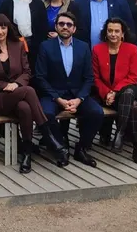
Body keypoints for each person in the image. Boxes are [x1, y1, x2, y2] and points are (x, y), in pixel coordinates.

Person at [0, 14, 67, 173]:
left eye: (3, 27)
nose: (0, 31)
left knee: (25, 108)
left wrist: (17, 84)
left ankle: (26, 153)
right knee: (29, 90)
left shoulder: (17, 46)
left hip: (18, 94)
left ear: (8, 29)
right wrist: (7, 86)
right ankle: (50, 139)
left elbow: (27, 72)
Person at [36, 12, 105, 167]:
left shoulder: (83, 47)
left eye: (69, 24)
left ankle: (81, 148)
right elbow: (40, 77)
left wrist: (79, 99)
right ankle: (61, 148)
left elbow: (89, 78)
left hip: (77, 94)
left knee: (97, 113)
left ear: (74, 29)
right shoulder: (45, 46)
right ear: (56, 26)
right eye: (61, 24)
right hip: (53, 94)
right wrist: (57, 99)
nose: (65, 27)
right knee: (45, 114)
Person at [91, 18, 137, 165]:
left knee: (128, 94)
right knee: (133, 106)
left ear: (122, 34)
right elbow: (95, 77)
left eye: (117, 31)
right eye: (110, 31)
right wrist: (106, 93)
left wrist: (114, 92)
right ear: (105, 32)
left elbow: (133, 76)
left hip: (129, 89)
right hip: (106, 94)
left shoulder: (131, 49)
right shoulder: (97, 49)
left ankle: (120, 132)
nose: (113, 34)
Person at [0, 0, 50, 70]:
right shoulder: (6, 4)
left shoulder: (38, 4)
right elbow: (1, 24)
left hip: (34, 47)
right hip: (12, 46)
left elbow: (43, 28)